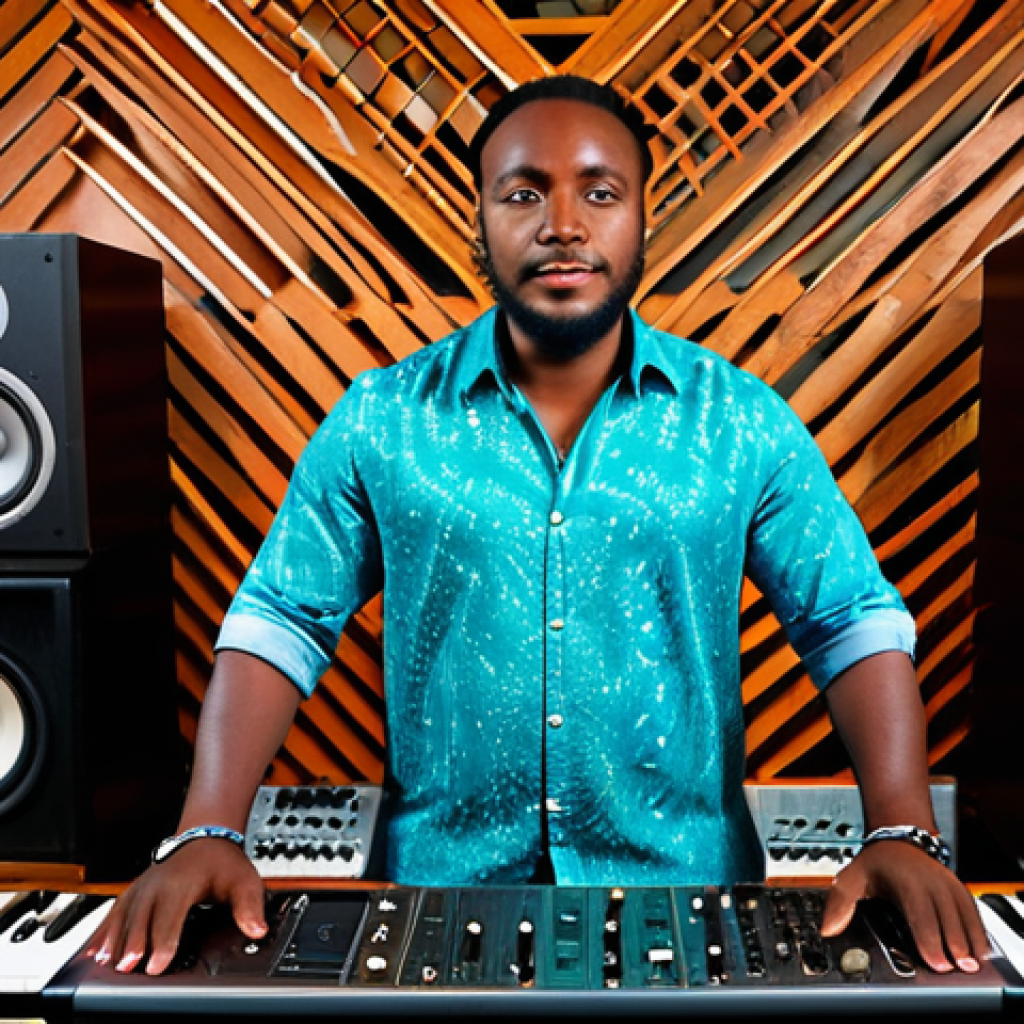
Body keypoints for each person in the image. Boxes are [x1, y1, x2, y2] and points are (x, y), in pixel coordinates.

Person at [90, 75, 990, 977]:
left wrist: (902, 826)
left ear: (642, 219)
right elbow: (282, 621)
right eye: (524, 193)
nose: (563, 223)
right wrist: (205, 826)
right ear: (478, 220)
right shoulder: (381, 419)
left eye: (600, 192)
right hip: (435, 914)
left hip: (689, 911)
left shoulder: (741, 421)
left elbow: (849, 621)